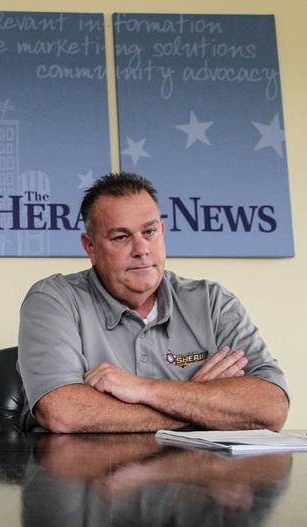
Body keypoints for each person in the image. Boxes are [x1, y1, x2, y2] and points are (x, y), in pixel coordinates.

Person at [18, 172, 288, 433]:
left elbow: (271, 408)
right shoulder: (53, 299)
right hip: (90, 476)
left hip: (194, 476)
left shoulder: (212, 302)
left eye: (149, 232)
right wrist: (199, 403)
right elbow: (64, 413)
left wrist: (144, 389)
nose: (142, 249)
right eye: (121, 237)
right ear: (90, 247)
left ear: (163, 232)